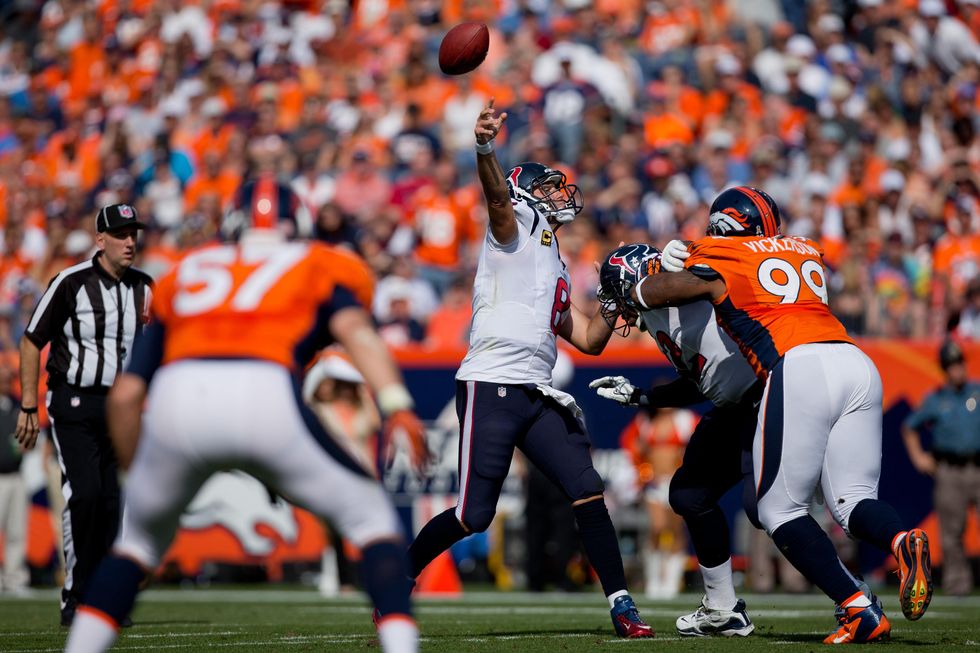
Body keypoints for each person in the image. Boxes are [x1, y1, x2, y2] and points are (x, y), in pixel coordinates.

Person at [63, 219, 427, 653]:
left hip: (180, 394)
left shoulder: (188, 269)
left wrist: (141, 480)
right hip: (264, 387)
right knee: (373, 521)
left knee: (134, 547)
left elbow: (125, 397)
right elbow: (357, 332)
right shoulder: (316, 261)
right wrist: (396, 404)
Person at [611, 186, 934, 644]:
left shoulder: (723, 253)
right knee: (851, 502)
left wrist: (651, 276)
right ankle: (901, 540)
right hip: (855, 361)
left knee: (777, 509)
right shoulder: (804, 247)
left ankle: (857, 607)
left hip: (797, 367)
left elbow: (658, 290)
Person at [400, 99, 654, 638]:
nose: (559, 194)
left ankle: (622, 605)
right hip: (492, 382)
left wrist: (616, 300)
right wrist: (485, 147)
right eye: (547, 187)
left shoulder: (554, 260)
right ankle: (398, 578)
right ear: (524, 194)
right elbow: (496, 198)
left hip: (536, 391)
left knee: (587, 488)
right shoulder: (513, 228)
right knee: (473, 515)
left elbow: (588, 339)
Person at [591, 242, 759, 636]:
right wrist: (641, 397)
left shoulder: (684, 293)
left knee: (773, 510)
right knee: (690, 495)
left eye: (619, 294)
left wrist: (688, 255)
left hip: (768, 393)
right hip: (736, 404)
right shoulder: (656, 318)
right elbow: (701, 379)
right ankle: (723, 608)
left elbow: (722, 275)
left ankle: (855, 598)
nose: (618, 308)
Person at [14, 204, 153, 626]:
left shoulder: (144, 287)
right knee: (86, 494)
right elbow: (31, 341)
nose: (129, 242)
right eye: (120, 234)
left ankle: (102, 599)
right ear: (100, 239)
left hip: (119, 407)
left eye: (133, 234)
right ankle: (76, 596)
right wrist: (28, 404)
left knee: (111, 503)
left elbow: (151, 349)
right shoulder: (70, 282)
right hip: (73, 400)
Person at [902, 340, 980, 596]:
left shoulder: (977, 392)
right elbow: (909, 427)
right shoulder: (936, 399)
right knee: (951, 531)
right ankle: (958, 585)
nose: (957, 369)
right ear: (944, 369)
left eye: (959, 363)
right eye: (951, 365)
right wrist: (918, 457)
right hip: (949, 469)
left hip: (977, 466)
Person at [0, 365, 28, 594]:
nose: (7, 383)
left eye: (9, 379)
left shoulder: (17, 406)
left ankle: (15, 578)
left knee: (17, 530)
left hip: (16, 475)